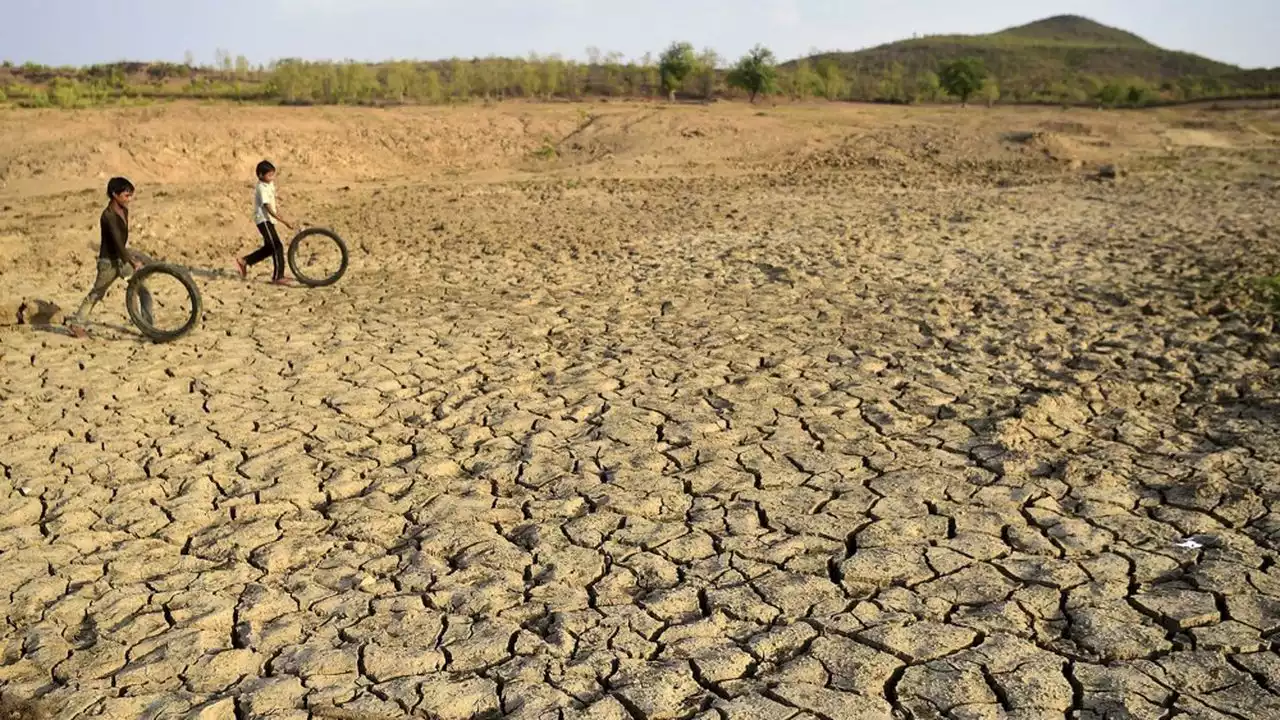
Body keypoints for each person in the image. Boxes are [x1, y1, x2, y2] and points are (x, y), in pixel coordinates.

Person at [66, 176, 151, 339]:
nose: (129, 199)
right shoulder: (108, 216)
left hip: (121, 260)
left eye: (130, 195)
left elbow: (122, 243)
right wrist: (132, 260)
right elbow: (117, 243)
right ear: (114, 194)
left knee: (144, 291)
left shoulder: (124, 210)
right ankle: (76, 324)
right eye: (126, 195)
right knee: (97, 294)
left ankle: (148, 326)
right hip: (109, 263)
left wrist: (128, 258)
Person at [235, 160, 296, 285]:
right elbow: (268, 207)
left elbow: (274, 205)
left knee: (270, 247)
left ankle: (245, 261)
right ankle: (278, 277)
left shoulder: (269, 184)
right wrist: (284, 222)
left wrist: (282, 217)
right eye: (269, 175)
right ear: (261, 175)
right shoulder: (261, 188)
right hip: (263, 220)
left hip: (269, 220)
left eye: (273, 174)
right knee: (277, 246)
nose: (272, 177)